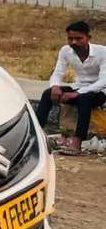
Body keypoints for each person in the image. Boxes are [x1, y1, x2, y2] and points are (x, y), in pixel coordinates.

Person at [36, 20, 106, 155]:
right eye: (70, 38)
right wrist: (55, 86)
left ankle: (77, 141)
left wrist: (78, 93)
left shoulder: (102, 52)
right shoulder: (66, 50)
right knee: (47, 93)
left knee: (84, 99)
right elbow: (58, 72)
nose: (74, 42)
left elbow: (104, 80)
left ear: (88, 38)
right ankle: (37, 133)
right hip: (79, 86)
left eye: (78, 38)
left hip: (100, 91)